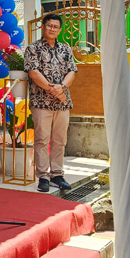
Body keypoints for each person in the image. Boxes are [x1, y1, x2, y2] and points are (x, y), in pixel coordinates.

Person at [24, 13, 78, 193]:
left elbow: (72, 72)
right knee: (41, 140)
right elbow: (33, 73)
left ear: (60, 29)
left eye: (56, 26)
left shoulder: (65, 49)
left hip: (62, 103)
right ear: (43, 27)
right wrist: (53, 90)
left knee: (60, 140)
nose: (52, 29)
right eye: (49, 26)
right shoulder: (33, 49)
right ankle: (43, 177)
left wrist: (61, 87)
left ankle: (57, 174)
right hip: (41, 102)